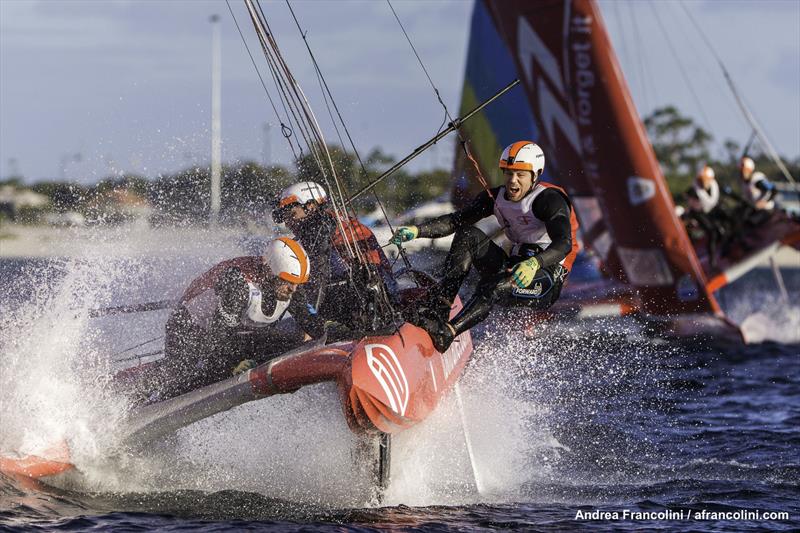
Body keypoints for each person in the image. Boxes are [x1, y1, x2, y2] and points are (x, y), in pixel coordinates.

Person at [390, 141, 579, 352]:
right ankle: (440, 309)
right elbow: (455, 221)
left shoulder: (549, 200)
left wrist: (535, 263)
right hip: (514, 265)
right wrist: (417, 231)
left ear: (536, 175)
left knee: (493, 286)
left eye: (520, 175)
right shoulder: (495, 198)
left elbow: (564, 244)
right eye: (508, 174)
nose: (513, 181)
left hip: (546, 277)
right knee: (467, 234)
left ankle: (448, 333)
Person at [154, 237, 323, 399]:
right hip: (188, 327)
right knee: (208, 368)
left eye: (297, 284)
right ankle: (154, 399)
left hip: (230, 333)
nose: (293, 289)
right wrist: (233, 362)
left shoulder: (290, 280)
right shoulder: (238, 283)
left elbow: (309, 320)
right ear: (271, 272)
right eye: (288, 283)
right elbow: (219, 337)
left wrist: (332, 332)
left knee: (293, 340)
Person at [272, 181, 397, 336]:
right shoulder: (327, 220)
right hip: (377, 291)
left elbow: (319, 275)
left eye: (292, 214)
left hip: (372, 295)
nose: (288, 222)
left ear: (310, 206)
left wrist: (311, 322)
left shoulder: (318, 226)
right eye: (285, 217)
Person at [684, 165, 726, 268]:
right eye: (701, 180)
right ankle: (712, 260)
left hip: (710, 211)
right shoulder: (694, 190)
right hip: (698, 213)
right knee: (711, 232)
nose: (703, 183)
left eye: (705, 180)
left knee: (723, 222)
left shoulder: (714, 186)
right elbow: (689, 202)